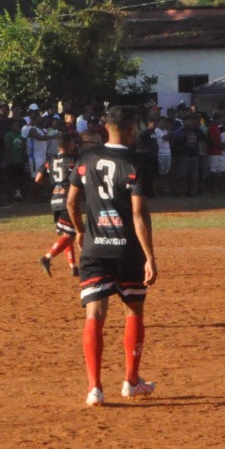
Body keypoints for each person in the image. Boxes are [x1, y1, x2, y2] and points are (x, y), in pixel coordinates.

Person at [66, 104, 158, 406]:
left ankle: (95, 388)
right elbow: (138, 214)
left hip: (94, 249)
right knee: (134, 310)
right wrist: (150, 257)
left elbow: (71, 201)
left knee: (95, 315)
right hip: (127, 249)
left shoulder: (87, 158)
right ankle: (131, 381)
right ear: (131, 129)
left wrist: (80, 230)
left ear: (107, 128)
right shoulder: (137, 162)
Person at [37, 132, 81, 275]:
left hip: (55, 198)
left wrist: (52, 184)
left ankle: (73, 267)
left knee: (66, 233)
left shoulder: (51, 159)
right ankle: (47, 257)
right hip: (67, 199)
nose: (75, 145)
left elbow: (38, 178)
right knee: (69, 235)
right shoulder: (73, 160)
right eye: (73, 142)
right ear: (69, 144)